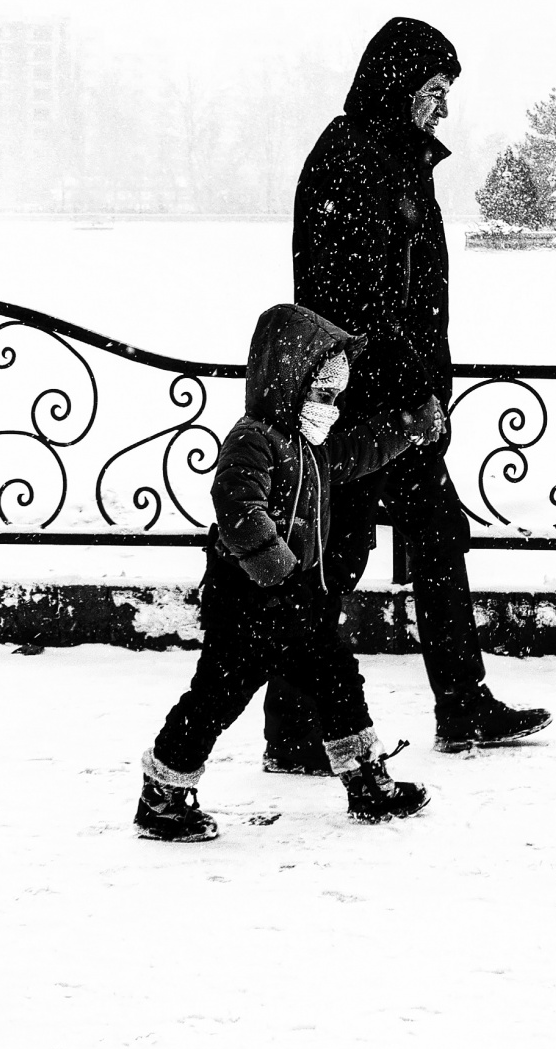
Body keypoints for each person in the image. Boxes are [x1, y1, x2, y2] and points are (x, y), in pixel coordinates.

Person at [261, 16, 550, 773]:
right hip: (361, 405)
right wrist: (412, 392)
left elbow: (412, 298)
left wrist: (425, 388)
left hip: (393, 397)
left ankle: (459, 703)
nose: (444, 108)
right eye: (433, 90)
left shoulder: (393, 158)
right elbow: (353, 300)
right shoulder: (352, 161)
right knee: (336, 556)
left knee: (430, 536)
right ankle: (296, 727)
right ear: (398, 88)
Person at [135, 303, 444, 842]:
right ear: (288, 381)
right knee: (218, 694)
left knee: (338, 681)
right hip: (248, 600)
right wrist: (279, 573)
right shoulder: (253, 439)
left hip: (297, 602)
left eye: (336, 397)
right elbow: (237, 507)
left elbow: (358, 452)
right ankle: (162, 794)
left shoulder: (311, 447)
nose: (331, 408)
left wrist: (404, 430)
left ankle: (366, 781)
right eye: (322, 394)